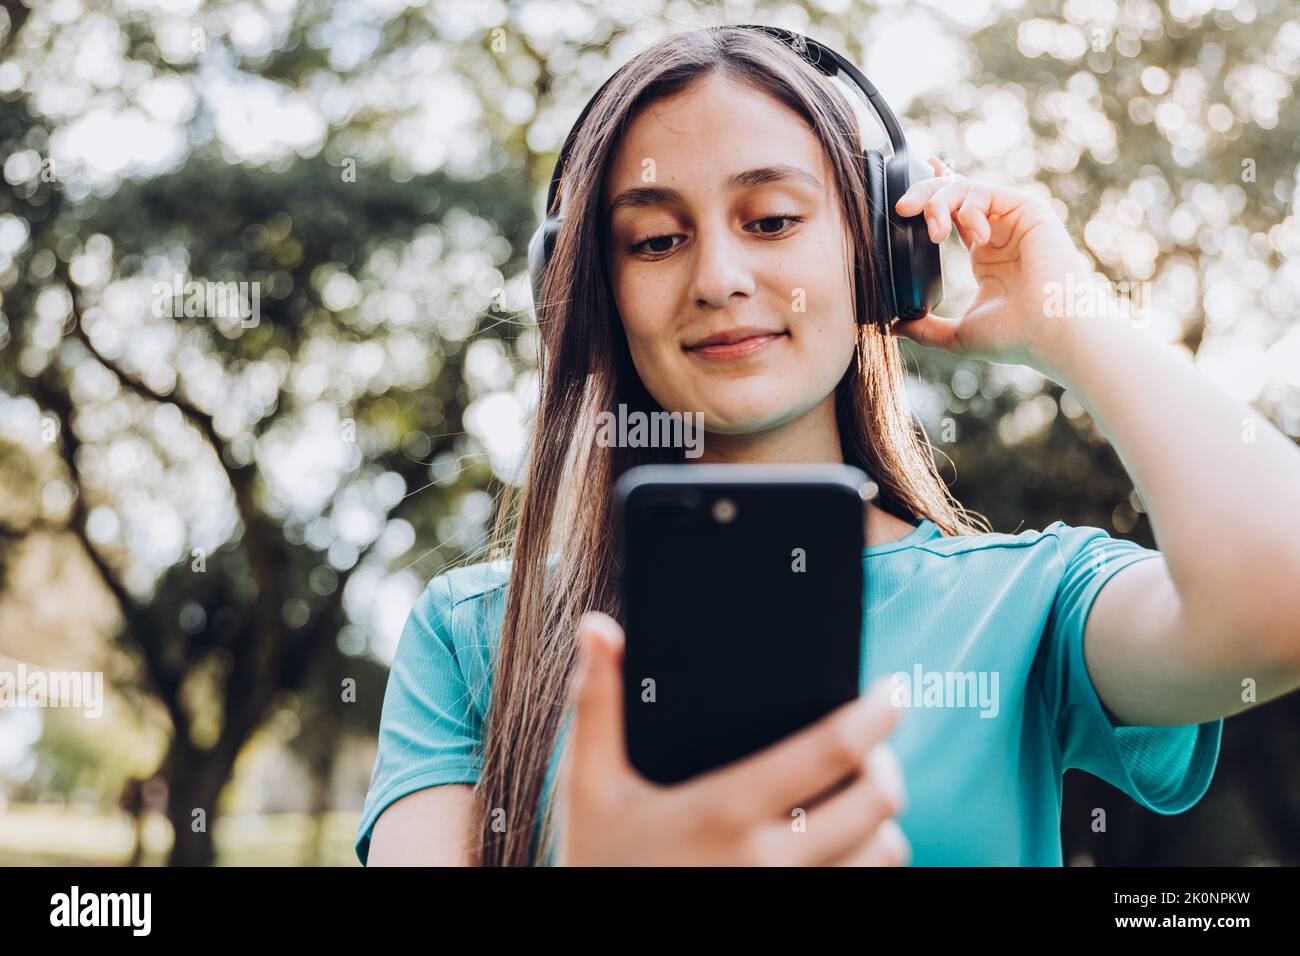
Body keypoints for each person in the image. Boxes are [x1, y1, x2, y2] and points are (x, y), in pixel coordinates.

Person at [356, 25, 1300, 866]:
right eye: (652, 240)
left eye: (771, 220)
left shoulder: (1025, 606)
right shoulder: (478, 639)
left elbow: (1281, 601)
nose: (719, 277)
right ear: (594, 292)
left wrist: (1071, 319)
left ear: (880, 255)